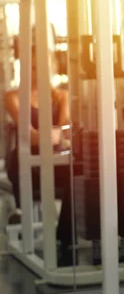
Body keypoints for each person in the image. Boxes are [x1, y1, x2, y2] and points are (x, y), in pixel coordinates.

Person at [4, 24, 74, 266]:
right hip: (25, 160)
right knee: (20, 156)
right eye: (33, 67)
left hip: (54, 160)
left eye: (42, 67)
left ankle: (64, 236)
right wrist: (51, 135)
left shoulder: (62, 96)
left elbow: (61, 135)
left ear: (51, 67)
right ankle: (23, 219)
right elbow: (30, 135)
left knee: (80, 173)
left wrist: (53, 136)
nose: (37, 72)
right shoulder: (12, 96)